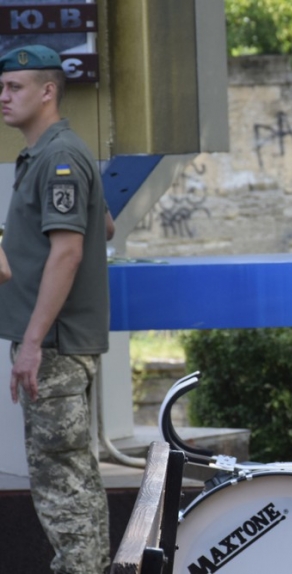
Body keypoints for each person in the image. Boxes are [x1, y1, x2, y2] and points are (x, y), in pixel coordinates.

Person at [0, 45, 111, 574]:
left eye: (14, 87)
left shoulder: (59, 157)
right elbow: (103, 225)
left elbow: (68, 251)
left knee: (61, 483)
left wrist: (32, 344)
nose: (3, 97)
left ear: (48, 92)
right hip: (57, 345)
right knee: (71, 478)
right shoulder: (52, 155)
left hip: (55, 348)